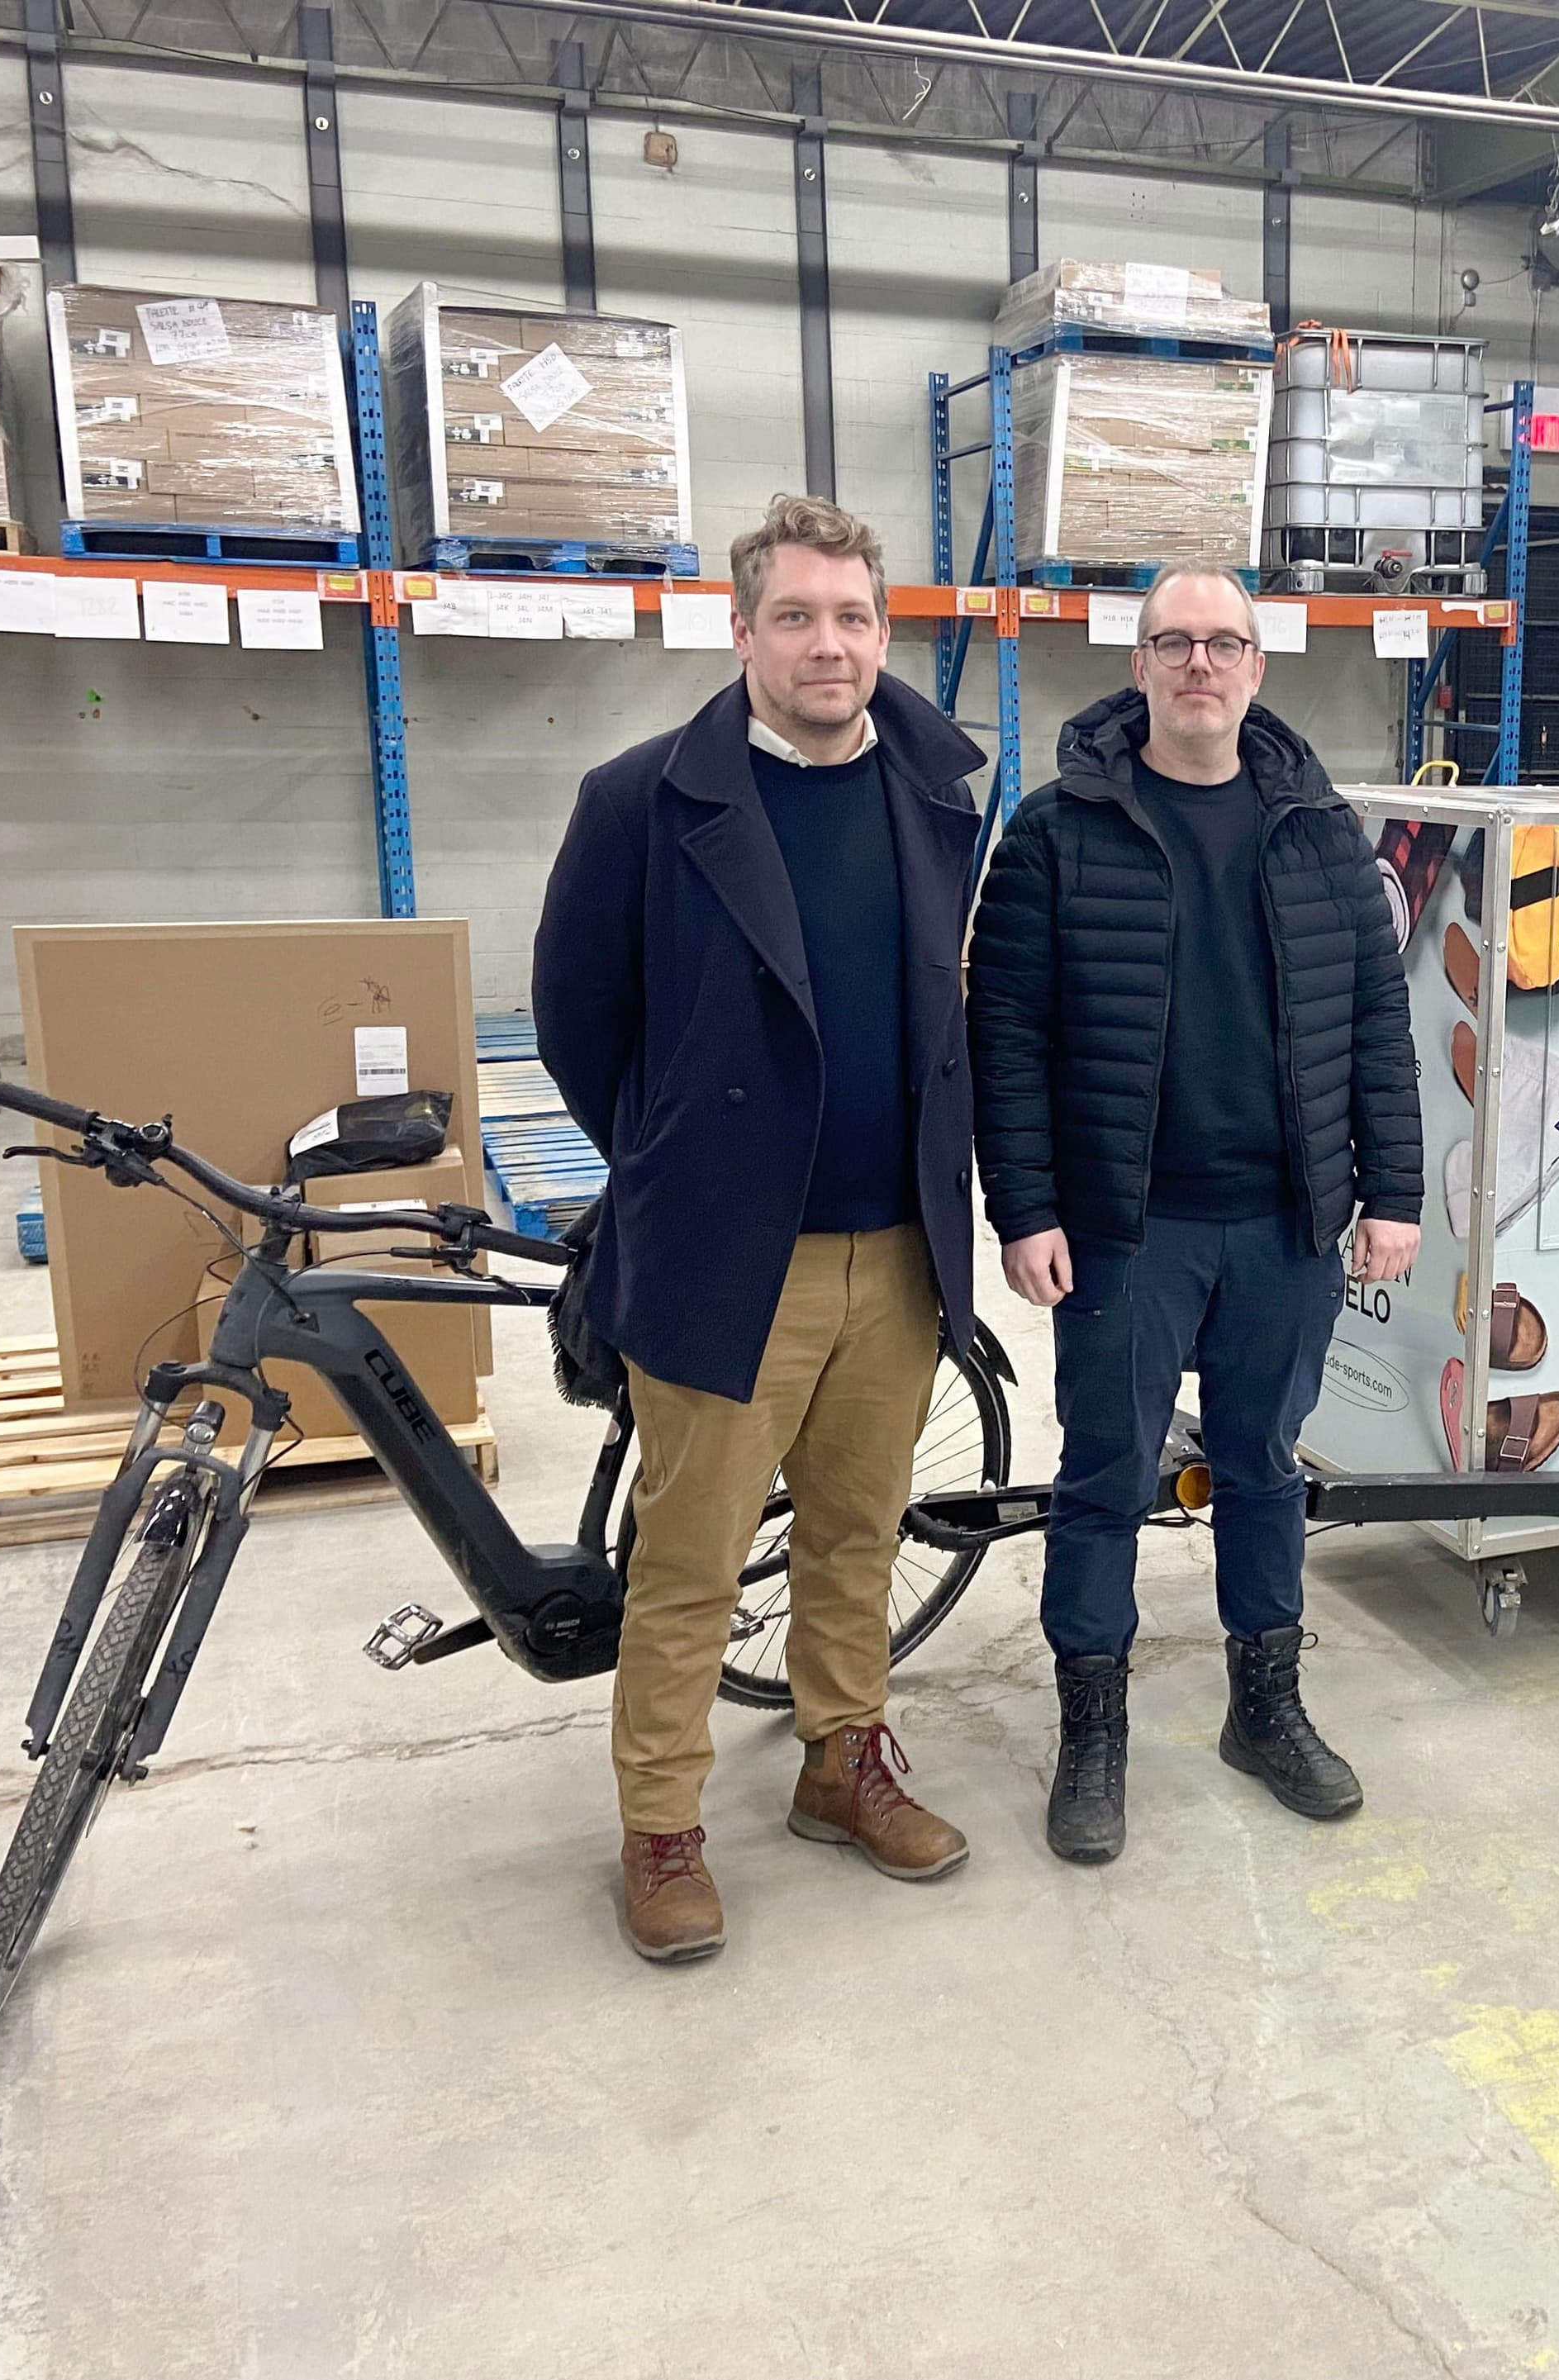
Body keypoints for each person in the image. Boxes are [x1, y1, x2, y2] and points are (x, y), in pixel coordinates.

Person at [533, 493, 990, 1962]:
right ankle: (661, 1827)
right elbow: (575, 1016)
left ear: (884, 632)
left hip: (899, 1247)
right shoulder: (641, 801)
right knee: (693, 1558)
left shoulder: (936, 791)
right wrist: (674, 1162)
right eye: (794, 616)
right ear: (740, 633)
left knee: (858, 1531)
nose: (826, 645)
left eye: (852, 617)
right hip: (732, 1253)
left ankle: (839, 1760)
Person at [967, 562, 1424, 1866]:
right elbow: (1005, 1034)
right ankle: (1093, 1735)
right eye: (1174, 642)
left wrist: (1393, 1190)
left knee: (1265, 1467)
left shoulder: (1320, 832)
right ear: (1140, 665)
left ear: (1258, 667)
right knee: (1105, 1476)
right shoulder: (1056, 832)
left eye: (1224, 643)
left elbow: (1375, 1021)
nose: (1200, 665)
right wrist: (1027, 1207)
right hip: (1129, 1229)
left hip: (1285, 1223)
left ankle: (1264, 1709)